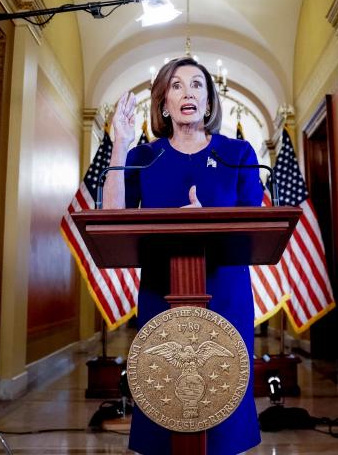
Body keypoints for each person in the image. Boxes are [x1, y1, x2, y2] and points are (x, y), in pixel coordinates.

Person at [102, 57, 263, 455]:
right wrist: (119, 143)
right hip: (163, 288)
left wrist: (206, 220)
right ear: (163, 103)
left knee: (223, 387)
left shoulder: (238, 153)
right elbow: (112, 218)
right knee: (164, 385)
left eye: (196, 85)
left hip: (225, 290)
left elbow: (256, 222)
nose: (187, 91)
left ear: (208, 102)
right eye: (175, 85)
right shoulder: (142, 156)